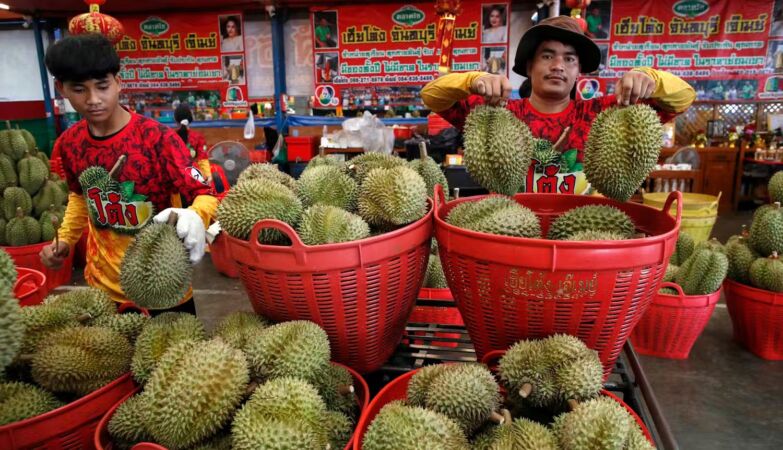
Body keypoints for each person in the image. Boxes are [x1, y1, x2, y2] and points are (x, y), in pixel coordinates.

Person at [39, 34, 216, 314]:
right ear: (62, 89)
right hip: (102, 289)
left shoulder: (158, 139)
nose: (94, 99)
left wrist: (195, 215)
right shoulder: (70, 143)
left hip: (164, 287)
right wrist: (65, 240)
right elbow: (79, 197)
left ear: (118, 82)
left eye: (102, 86)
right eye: (79, 89)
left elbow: (205, 194)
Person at [420, 15, 696, 195]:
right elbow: (431, 96)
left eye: (569, 59)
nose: (558, 66)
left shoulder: (604, 113)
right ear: (529, 66)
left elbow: (683, 99)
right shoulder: (498, 114)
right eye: (548, 56)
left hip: (580, 235)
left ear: (579, 72)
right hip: (509, 231)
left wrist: (651, 78)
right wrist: (473, 79)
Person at [172, 103, 212, 208]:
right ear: (190, 118)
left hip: (175, 183)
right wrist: (208, 176)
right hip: (194, 180)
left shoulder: (170, 137)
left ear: (175, 119)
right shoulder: (197, 137)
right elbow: (203, 160)